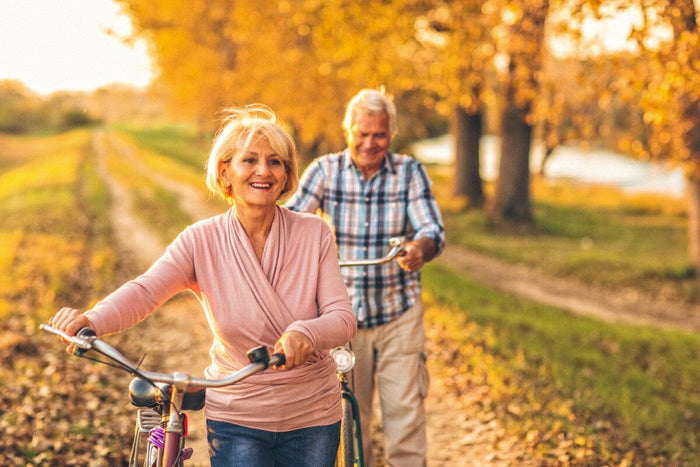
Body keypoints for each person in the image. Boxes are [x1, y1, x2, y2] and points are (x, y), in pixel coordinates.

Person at [48, 105, 357, 467]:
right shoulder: (200, 240)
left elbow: (342, 318)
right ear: (225, 172)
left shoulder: (313, 233)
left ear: (287, 173)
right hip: (237, 417)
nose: (264, 171)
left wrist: (306, 331)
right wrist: (92, 320)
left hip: (312, 416)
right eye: (250, 160)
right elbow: (146, 291)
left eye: (276, 162)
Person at [286, 88, 445, 466]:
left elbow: (432, 228)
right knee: (349, 424)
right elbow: (287, 223)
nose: (370, 143)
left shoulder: (409, 171)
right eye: (362, 134)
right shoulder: (324, 171)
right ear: (348, 131)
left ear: (391, 134)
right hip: (342, 319)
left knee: (405, 419)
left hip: (398, 315)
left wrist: (419, 248)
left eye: (380, 135)